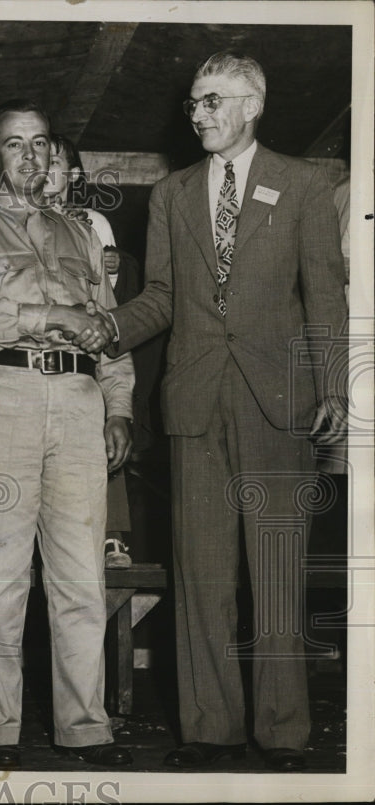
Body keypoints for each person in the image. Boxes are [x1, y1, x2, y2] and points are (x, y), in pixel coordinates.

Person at [91, 52, 348, 771]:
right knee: (200, 574)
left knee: (275, 571)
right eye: (195, 103)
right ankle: (209, 728)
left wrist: (333, 386)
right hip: (195, 401)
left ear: (250, 105)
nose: (197, 113)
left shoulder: (303, 184)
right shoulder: (171, 195)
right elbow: (164, 297)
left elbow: (325, 295)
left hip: (279, 402)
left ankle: (285, 732)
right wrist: (107, 326)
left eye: (210, 101)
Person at [0, 99, 135, 769]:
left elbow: (107, 327)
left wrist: (117, 406)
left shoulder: (80, 234)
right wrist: (55, 312)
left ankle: (85, 726)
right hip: (0, 397)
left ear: (53, 153)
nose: (31, 156)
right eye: (14, 144)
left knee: (80, 575)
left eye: (41, 144)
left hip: (78, 401)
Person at [42, 132, 144, 568]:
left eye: (57, 162)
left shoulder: (91, 222)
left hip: (87, 341)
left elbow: (108, 296)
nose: (47, 169)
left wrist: (116, 266)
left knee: (106, 418)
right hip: (42, 345)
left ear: (74, 173)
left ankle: (112, 535)